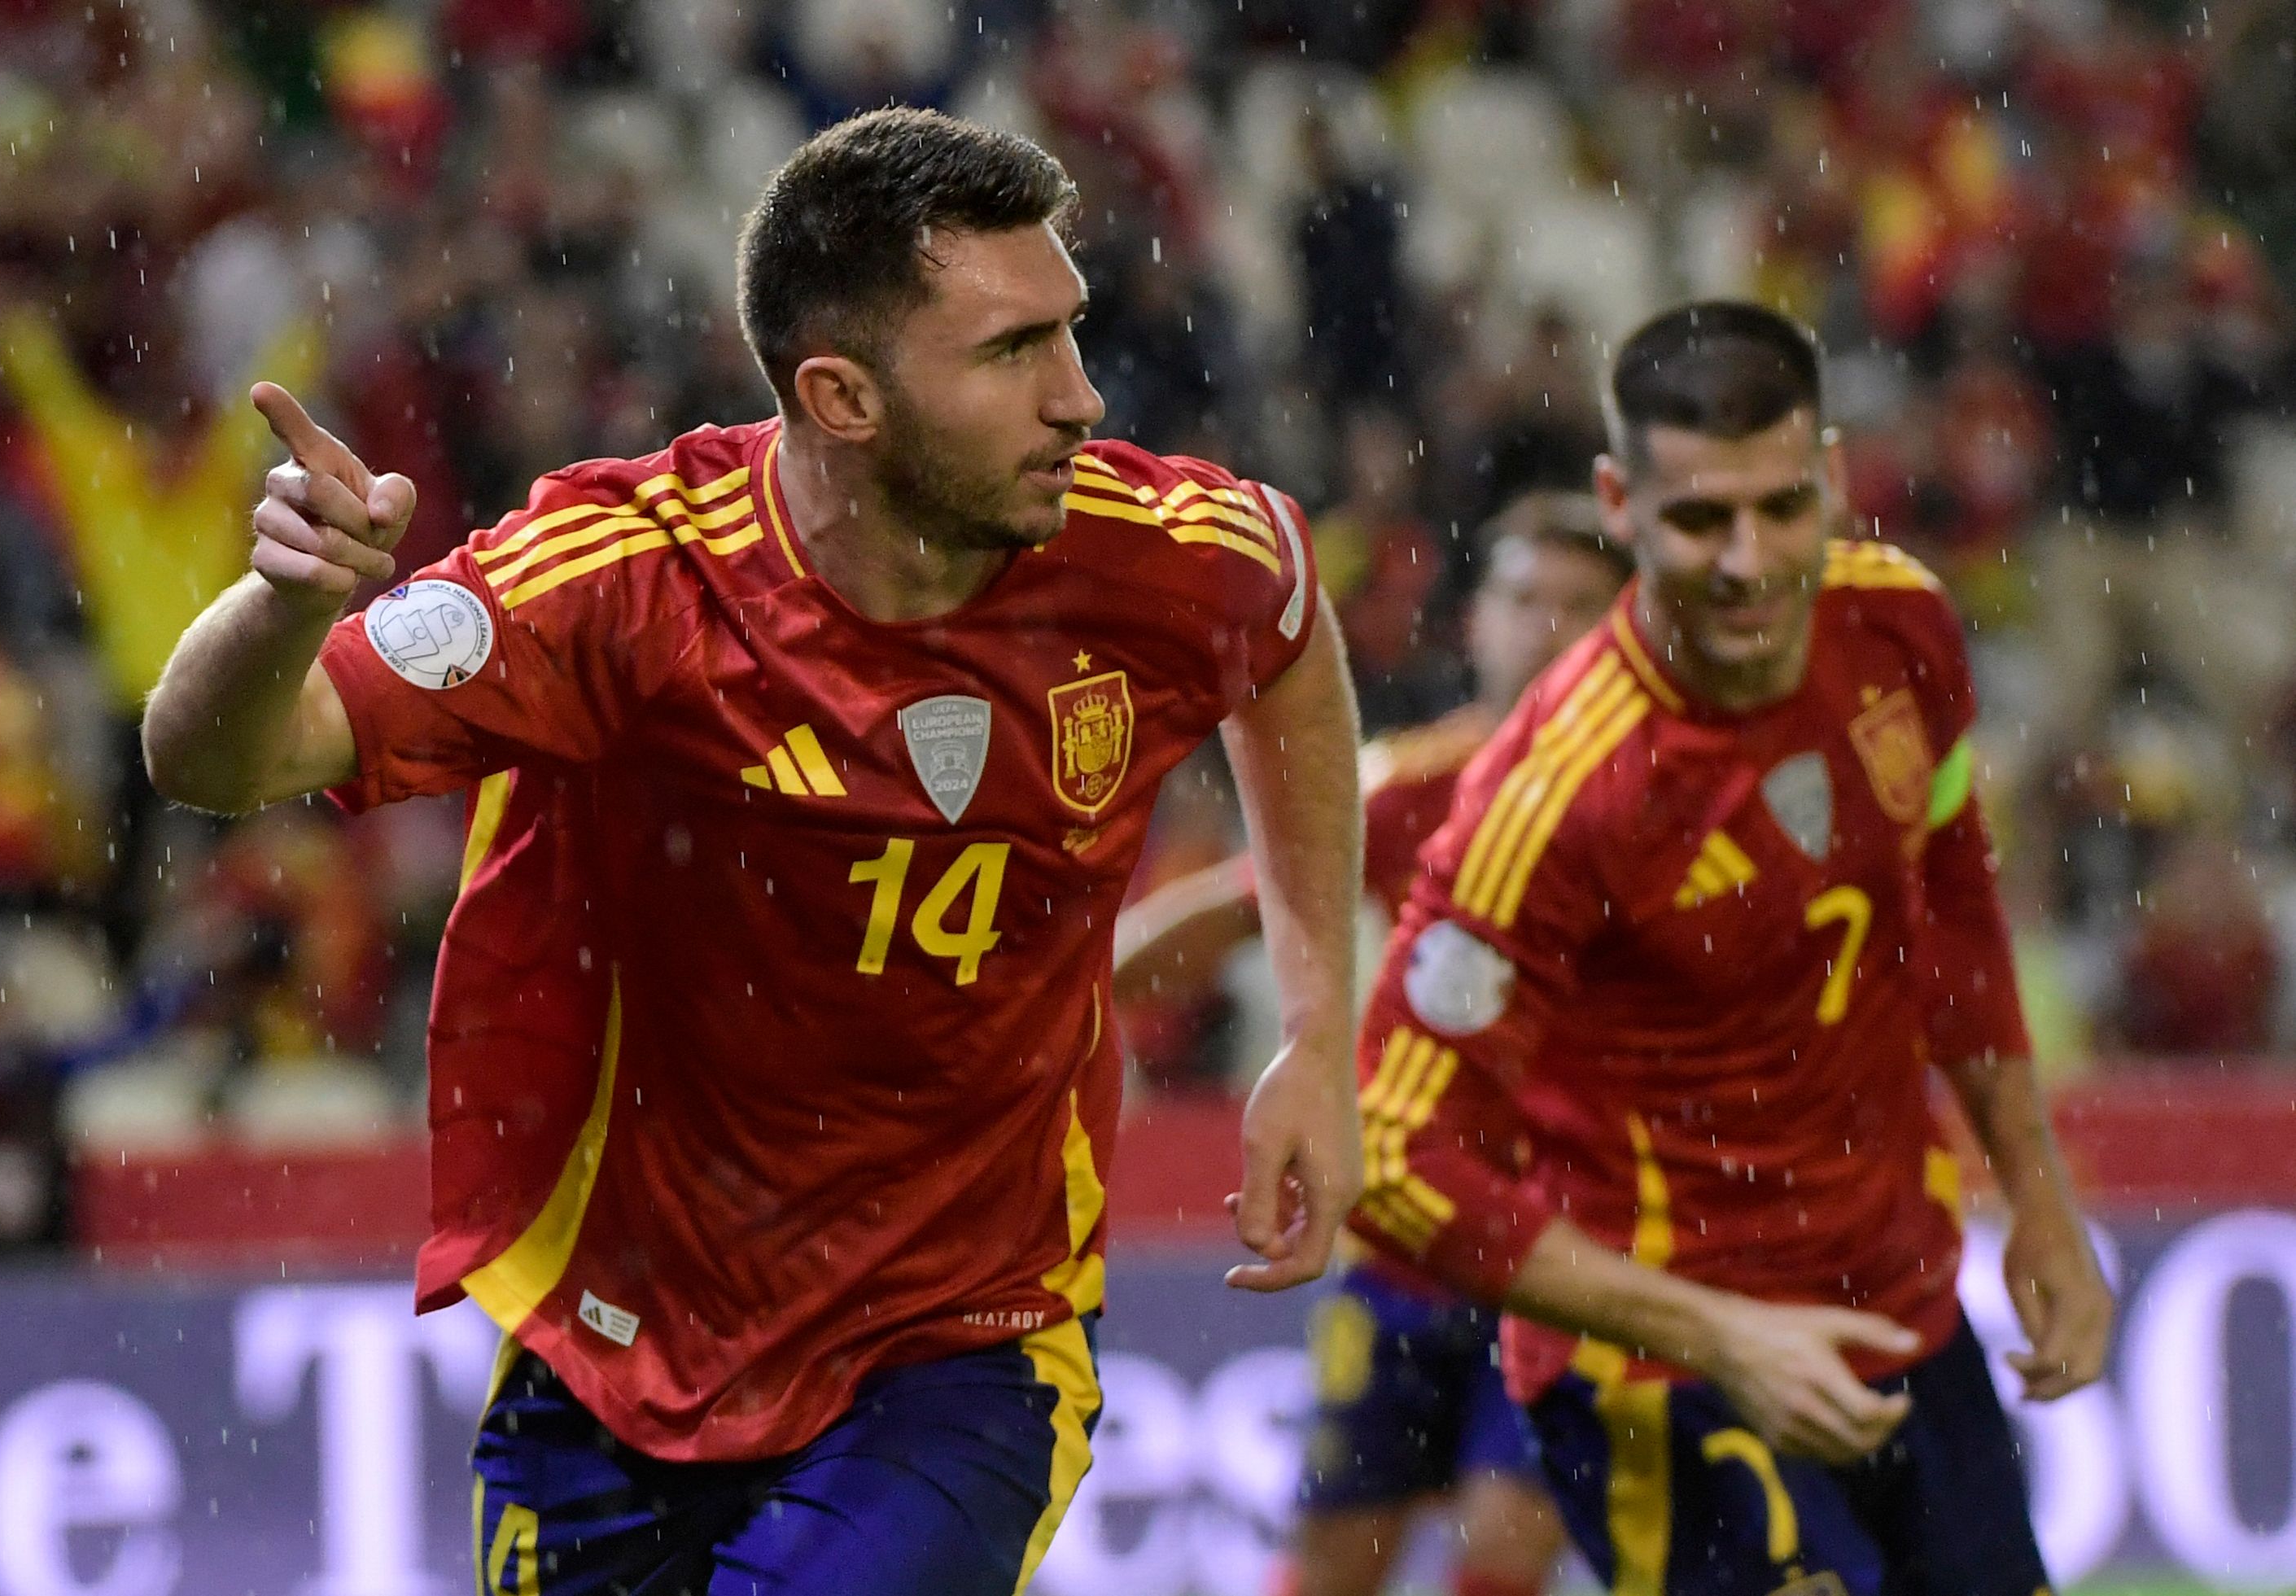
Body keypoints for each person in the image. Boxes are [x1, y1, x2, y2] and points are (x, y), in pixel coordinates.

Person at [140, 108, 1365, 1596]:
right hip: (612, 1344)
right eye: (1011, 353)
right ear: (841, 396)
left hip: (962, 1337)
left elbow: (1292, 635)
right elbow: (215, 758)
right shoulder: (626, 583)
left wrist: (1315, 1027)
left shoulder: (1160, 552)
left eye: (1070, 331)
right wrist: (282, 605)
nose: (1081, 397)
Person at [1345, 300, 2115, 1594]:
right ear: (1620, 500)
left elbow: (1956, 905)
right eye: (1702, 518)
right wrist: (1722, 1333)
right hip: (1665, 1379)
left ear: (1829, 478)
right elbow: (1387, 1152)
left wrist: (2039, 1197)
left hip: (1904, 1319)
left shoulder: (1900, 630)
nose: (1750, 560)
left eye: (1781, 507)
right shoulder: (1553, 795)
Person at [1119, 490, 1629, 1596]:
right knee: (1335, 1562)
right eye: (1524, 598)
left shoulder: (1660, 801)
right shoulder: (1413, 787)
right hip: (1404, 1240)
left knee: (1505, 1543)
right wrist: (1056, 986)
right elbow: (1234, 910)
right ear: (1476, 624)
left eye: (1580, 603)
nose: (1548, 625)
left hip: (1564, 1248)